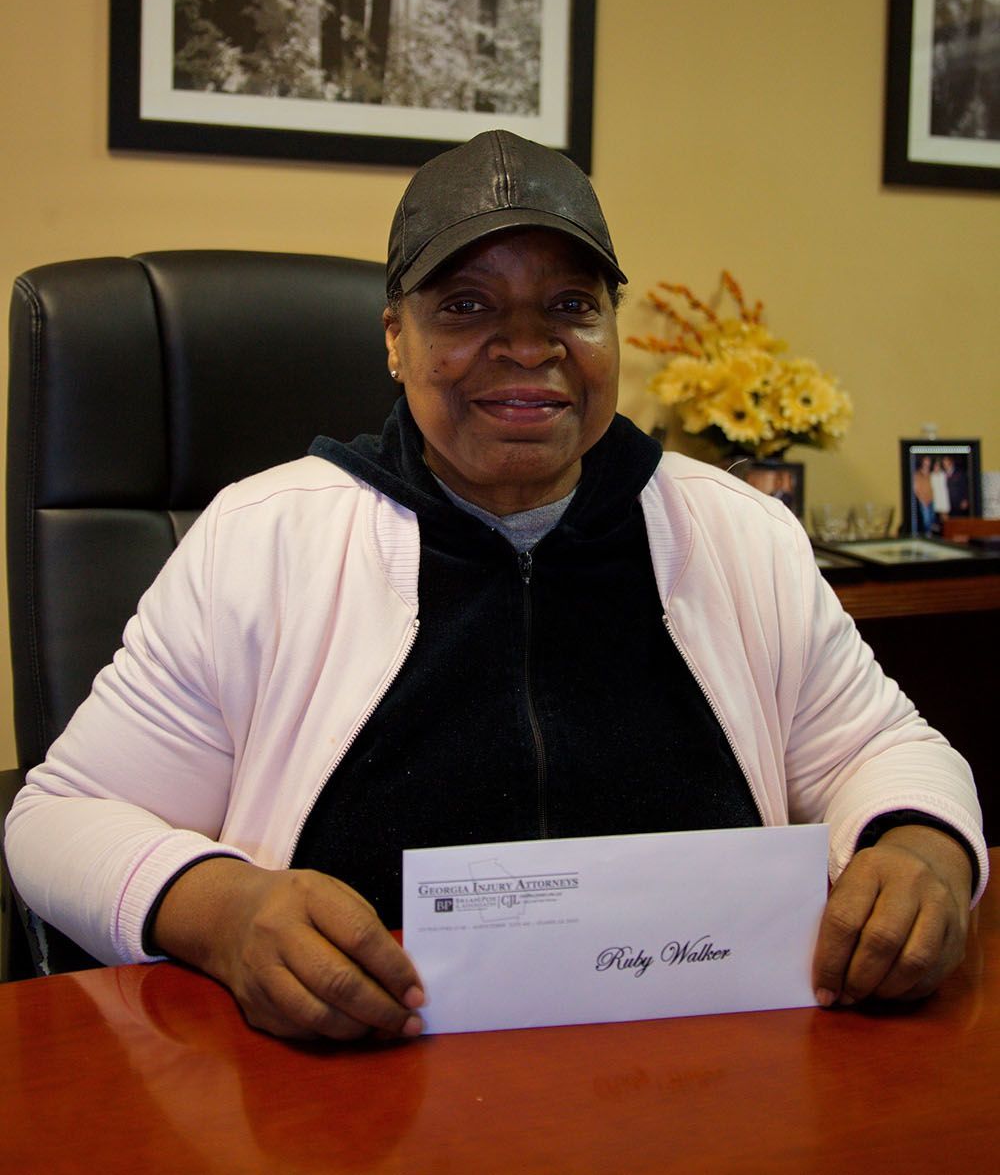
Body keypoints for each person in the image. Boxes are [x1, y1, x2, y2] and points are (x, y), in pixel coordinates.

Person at [6, 130, 987, 1043]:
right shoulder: (262, 542)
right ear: (394, 339)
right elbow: (58, 819)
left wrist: (920, 853)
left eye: (570, 305)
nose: (527, 345)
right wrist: (225, 910)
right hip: (356, 1090)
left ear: (611, 332)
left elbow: (886, 751)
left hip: (698, 1078)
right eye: (465, 306)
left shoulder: (736, 534)